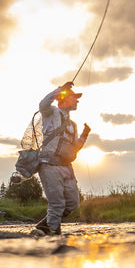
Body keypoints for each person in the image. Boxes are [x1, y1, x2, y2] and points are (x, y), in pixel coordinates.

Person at [33, 82, 91, 236]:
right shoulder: (51, 113)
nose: (77, 101)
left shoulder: (73, 124)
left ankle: (44, 226)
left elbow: (75, 146)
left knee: (72, 205)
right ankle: (54, 236)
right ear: (63, 99)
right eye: (74, 98)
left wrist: (85, 135)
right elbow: (42, 104)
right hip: (49, 165)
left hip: (67, 167)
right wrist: (59, 90)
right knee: (57, 205)